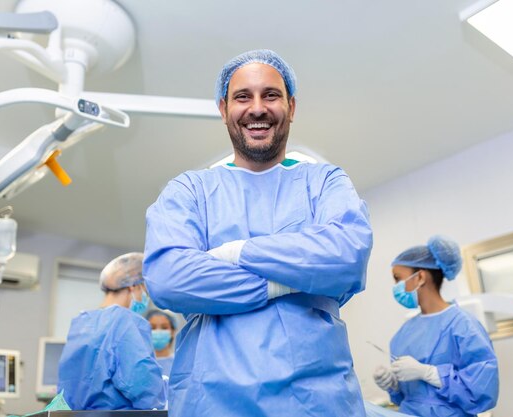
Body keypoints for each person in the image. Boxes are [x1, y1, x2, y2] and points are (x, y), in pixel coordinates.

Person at [144, 49, 373, 417]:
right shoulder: (189, 191)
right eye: (242, 97)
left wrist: (232, 252)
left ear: (291, 107)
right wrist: (293, 279)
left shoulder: (325, 181)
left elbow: (346, 257)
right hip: (211, 400)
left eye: (270, 95)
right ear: (223, 109)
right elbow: (169, 278)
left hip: (317, 401)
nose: (257, 108)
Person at [372, 236, 499, 417]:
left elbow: (481, 391)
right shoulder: (404, 332)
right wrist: (394, 385)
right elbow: (407, 396)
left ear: (420, 277)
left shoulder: (463, 325)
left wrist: (430, 373)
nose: (395, 287)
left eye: (398, 278)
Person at [58, 252, 167, 410]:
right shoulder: (125, 321)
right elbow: (144, 387)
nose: (146, 298)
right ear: (135, 287)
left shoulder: (82, 323)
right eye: (146, 292)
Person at [145, 309, 177, 376]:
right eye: (152, 328)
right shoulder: (142, 364)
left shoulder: (179, 363)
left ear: (173, 332)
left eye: (164, 327)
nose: (158, 331)